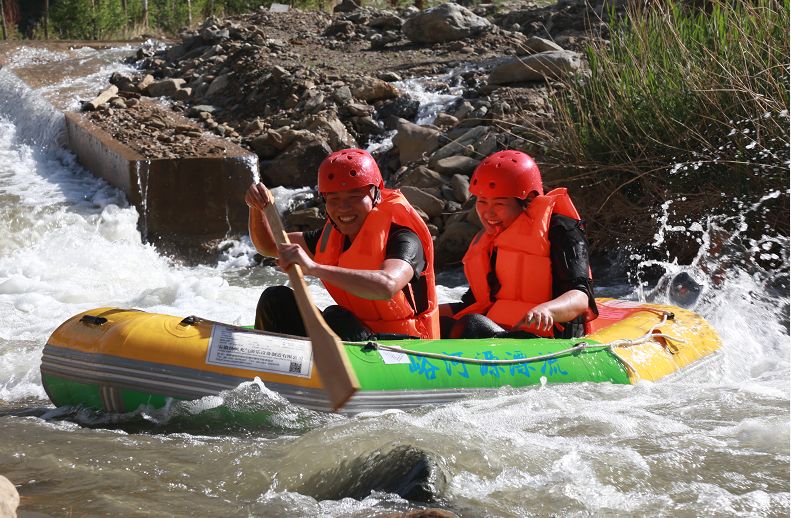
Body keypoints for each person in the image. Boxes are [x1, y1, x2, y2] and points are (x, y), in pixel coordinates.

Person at [245, 148, 440, 341]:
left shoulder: (403, 238)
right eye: (334, 199)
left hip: (409, 345)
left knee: (336, 317)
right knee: (275, 299)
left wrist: (313, 268)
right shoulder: (330, 238)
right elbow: (269, 247)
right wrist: (257, 209)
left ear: (376, 194)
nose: (343, 208)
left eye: (354, 197)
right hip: (358, 333)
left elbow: (387, 286)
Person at [440, 150, 598, 339]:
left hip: (551, 341)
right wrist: (428, 310)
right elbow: (474, 303)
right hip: (502, 334)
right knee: (443, 324)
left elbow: (581, 298)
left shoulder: (562, 230)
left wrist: (547, 310)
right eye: (482, 202)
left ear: (528, 201)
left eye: (499, 204)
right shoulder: (493, 240)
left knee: (471, 325)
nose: (488, 214)